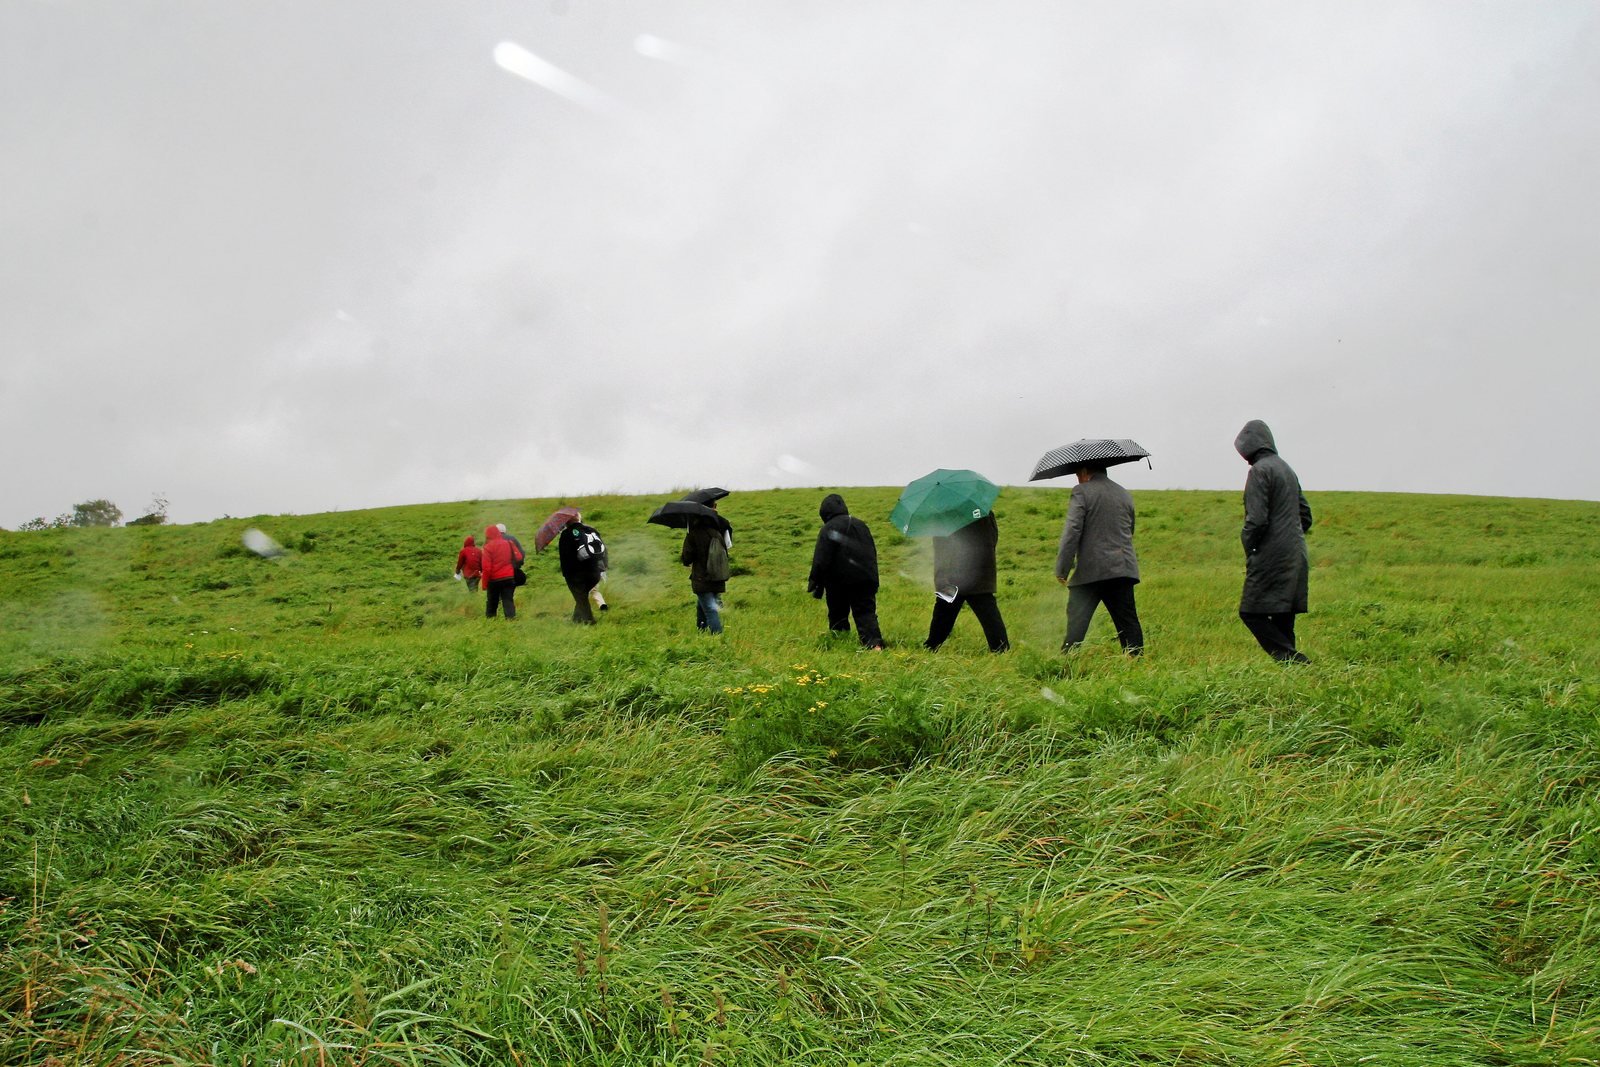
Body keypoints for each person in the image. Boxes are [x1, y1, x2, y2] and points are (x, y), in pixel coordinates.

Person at [1234, 419, 1313, 663]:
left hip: (1272, 555)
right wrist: (1289, 533)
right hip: (1297, 553)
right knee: (1283, 616)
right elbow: (1306, 516)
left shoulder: (1259, 471)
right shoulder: (1287, 469)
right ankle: (1293, 676)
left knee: (1250, 612)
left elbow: (1256, 520)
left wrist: (1251, 547)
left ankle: (1298, 662)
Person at [1055, 464, 1143, 654]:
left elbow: (1072, 531)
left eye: (1077, 474)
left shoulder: (1081, 491)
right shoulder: (1124, 493)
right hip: (1122, 568)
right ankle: (1137, 664)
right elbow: (1130, 530)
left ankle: (1067, 663)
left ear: (1085, 471)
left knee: (1076, 626)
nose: (1077, 478)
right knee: (1128, 623)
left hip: (1091, 570)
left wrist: (1063, 568)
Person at [807, 493, 884, 649]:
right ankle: (875, 646)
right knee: (866, 614)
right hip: (865, 578)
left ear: (824, 512)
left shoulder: (828, 528)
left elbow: (821, 559)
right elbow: (872, 553)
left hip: (838, 582)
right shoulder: (862, 525)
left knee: (837, 614)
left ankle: (840, 645)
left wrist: (815, 581)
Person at [924, 512, 1009, 652]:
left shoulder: (945, 513)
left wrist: (941, 576)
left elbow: (941, 547)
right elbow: (993, 538)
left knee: (944, 612)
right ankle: (1001, 649)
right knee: (987, 612)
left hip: (952, 574)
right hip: (981, 570)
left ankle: (931, 647)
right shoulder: (983, 509)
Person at [680, 502, 732, 635]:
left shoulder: (693, 534)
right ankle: (701, 632)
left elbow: (686, 559)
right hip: (718, 578)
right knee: (702, 605)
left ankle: (718, 636)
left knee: (710, 609)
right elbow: (726, 553)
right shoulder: (717, 533)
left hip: (701, 578)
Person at [556, 512, 608, 625]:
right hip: (596, 572)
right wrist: (604, 567)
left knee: (580, 597)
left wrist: (566, 573)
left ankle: (589, 621)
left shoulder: (566, 534)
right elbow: (603, 548)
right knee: (581, 595)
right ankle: (576, 619)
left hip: (576, 573)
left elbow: (565, 556)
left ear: (567, 522)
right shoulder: (592, 530)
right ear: (579, 518)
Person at [480, 524, 518, 620]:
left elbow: (486, 568)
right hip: (509, 577)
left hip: (494, 580)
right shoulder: (508, 543)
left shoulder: (488, 547)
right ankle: (511, 620)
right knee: (508, 600)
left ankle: (491, 621)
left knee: (492, 602)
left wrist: (484, 584)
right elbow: (519, 557)